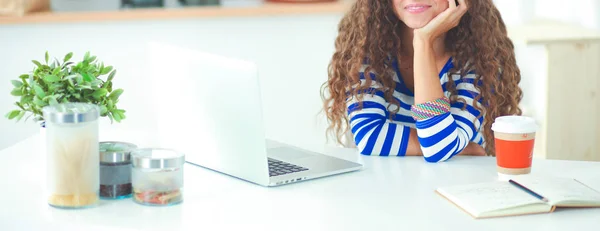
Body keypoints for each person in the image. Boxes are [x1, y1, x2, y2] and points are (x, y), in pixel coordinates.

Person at [321, 0, 523, 162]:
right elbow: (370, 136)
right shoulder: (367, 54)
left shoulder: (481, 62)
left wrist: (423, 41)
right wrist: (456, 147)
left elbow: (439, 147)